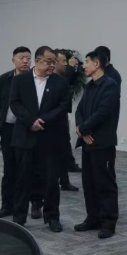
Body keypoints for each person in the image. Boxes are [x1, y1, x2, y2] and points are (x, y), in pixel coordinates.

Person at [10, 46, 71, 232]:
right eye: (48, 61)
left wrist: (43, 120)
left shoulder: (60, 82)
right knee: (22, 179)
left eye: (54, 62)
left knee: (51, 180)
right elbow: (14, 103)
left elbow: (64, 106)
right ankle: (19, 217)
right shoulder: (20, 80)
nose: (52, 65)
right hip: (25, 136)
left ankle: (52, 217)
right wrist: (31, 121)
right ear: (37, 61)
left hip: (50, 137)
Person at [73, 49, 120, 239]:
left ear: (97, 64)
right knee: (89, 181)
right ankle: (92, 217)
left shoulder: (110, 85)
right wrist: (81, 129)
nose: (84, 66)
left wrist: (84, 129)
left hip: (103, 143)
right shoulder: (90, 86)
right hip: (88, 142)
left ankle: (108, 222)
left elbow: (103, 112)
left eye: (87, 62)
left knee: (105, 182)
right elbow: (80, 110)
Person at [0, 46, 31, 218]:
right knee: (9, 169)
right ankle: (6, 205)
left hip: (26, 130)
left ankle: (28, 206)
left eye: (28, 58)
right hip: (8, 128)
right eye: (21, 57)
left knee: (26, 169)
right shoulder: (4, 79)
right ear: (13, 60)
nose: (25, 61)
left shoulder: (33, 79)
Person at [55, 50, 80, 190]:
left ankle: (64, 180)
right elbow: (63, 84)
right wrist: (70, 68)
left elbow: (69, 82)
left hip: (62, 118)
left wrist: (73, 68)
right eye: (63, 61)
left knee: (64, 149)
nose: (65, 64)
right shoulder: (51, 78)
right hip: (52, 120)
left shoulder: (62, 77)